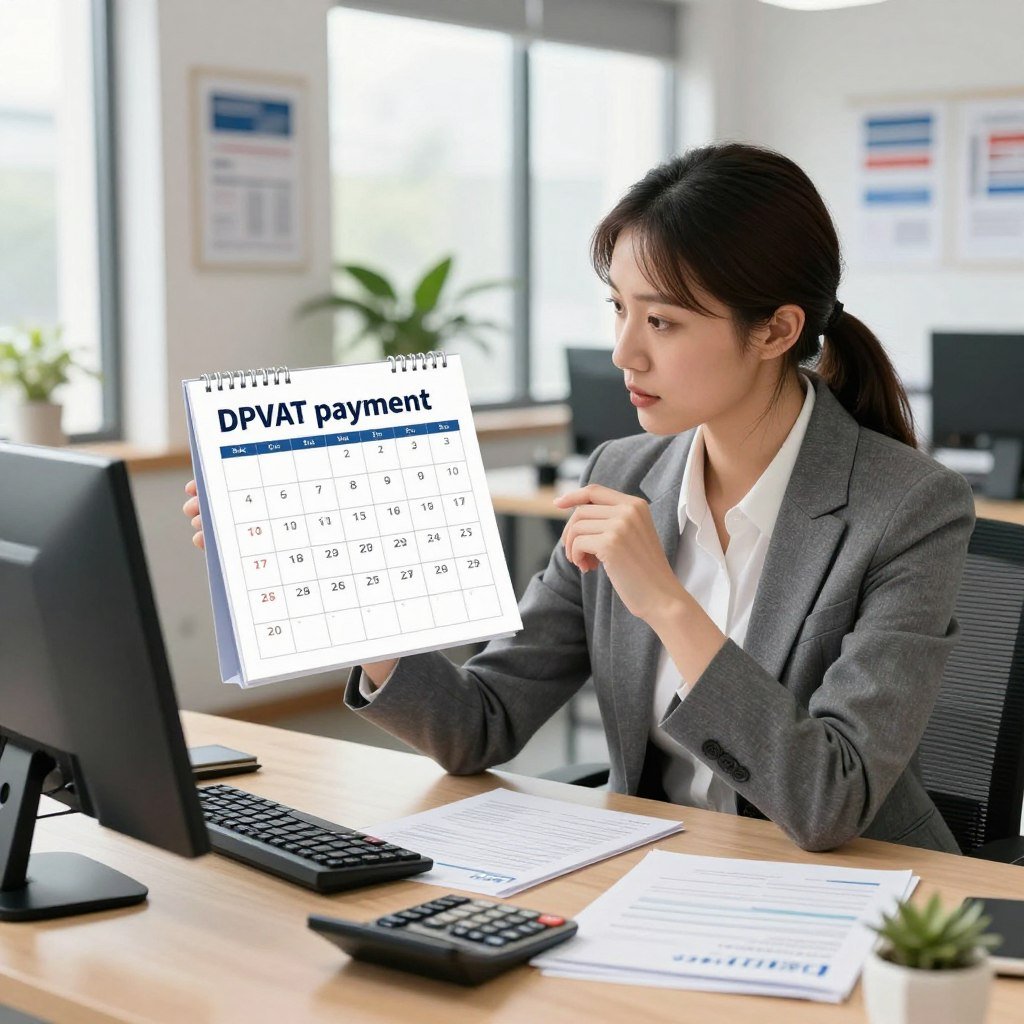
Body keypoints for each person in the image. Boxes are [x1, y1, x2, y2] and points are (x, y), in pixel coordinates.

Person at [184, 143, 974, 853]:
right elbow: (478, 723)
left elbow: (830, 799)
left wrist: (667, 603)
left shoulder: (909, 508)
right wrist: (339, 588)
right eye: (620, 308)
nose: (624, 351)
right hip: (656, 873)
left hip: (853, 892)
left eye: (661, 321)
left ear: (774, 331)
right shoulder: (625, 472)